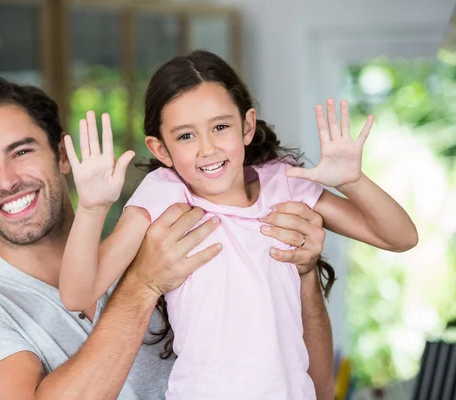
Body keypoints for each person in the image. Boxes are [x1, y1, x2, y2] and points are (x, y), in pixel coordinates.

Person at [0, 75, 334, 400]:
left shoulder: (170, 239)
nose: (7, 181)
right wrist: (143, 284)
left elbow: (312, 388)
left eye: (22, 151)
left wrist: (302, 273)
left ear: (63, 157)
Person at [59, 50, 419, 399]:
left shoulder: (284, 185)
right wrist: (92, 208)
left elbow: (401, 237)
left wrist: (350, 181)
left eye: (220, 127)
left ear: (246, 126)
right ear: (161, 149)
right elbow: (78, 294)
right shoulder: (164, 196)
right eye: (186, 136)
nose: (207, 148)